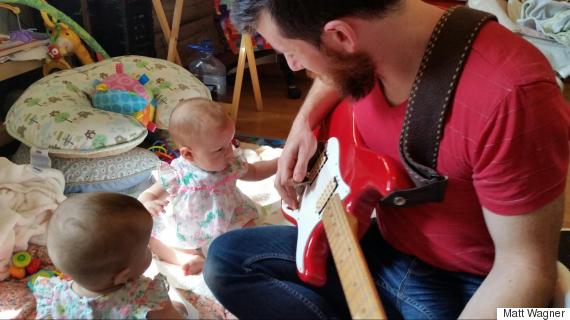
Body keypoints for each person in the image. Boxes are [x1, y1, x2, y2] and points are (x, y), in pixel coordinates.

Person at [203, 0, 570, 318]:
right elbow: (337, 70)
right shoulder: (389, 29)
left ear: (341, 37)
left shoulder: (514, 96)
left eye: (291, 51)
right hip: (388, 244)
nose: (294, 65)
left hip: (468, 283)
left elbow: (526, 269)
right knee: (225, 261)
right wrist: (305, 121)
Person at [138, 98, 278, 276]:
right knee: (152, 239)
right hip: (188, 224)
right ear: (188, 154)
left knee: (252, 236)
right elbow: (150, 194)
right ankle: (185, 258)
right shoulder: (179, 172)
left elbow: (256, 171)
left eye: (231, 142)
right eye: (220, 149)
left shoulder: (231, 163)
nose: (230, 152)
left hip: (230, 216)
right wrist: (148, 203)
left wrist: (279, 163)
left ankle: (233, 256)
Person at [31, 192, 185, 319]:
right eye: (145, 247)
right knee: (179, 308)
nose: (149, 249)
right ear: (122, 275)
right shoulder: (147, 297)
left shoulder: (55, 297)